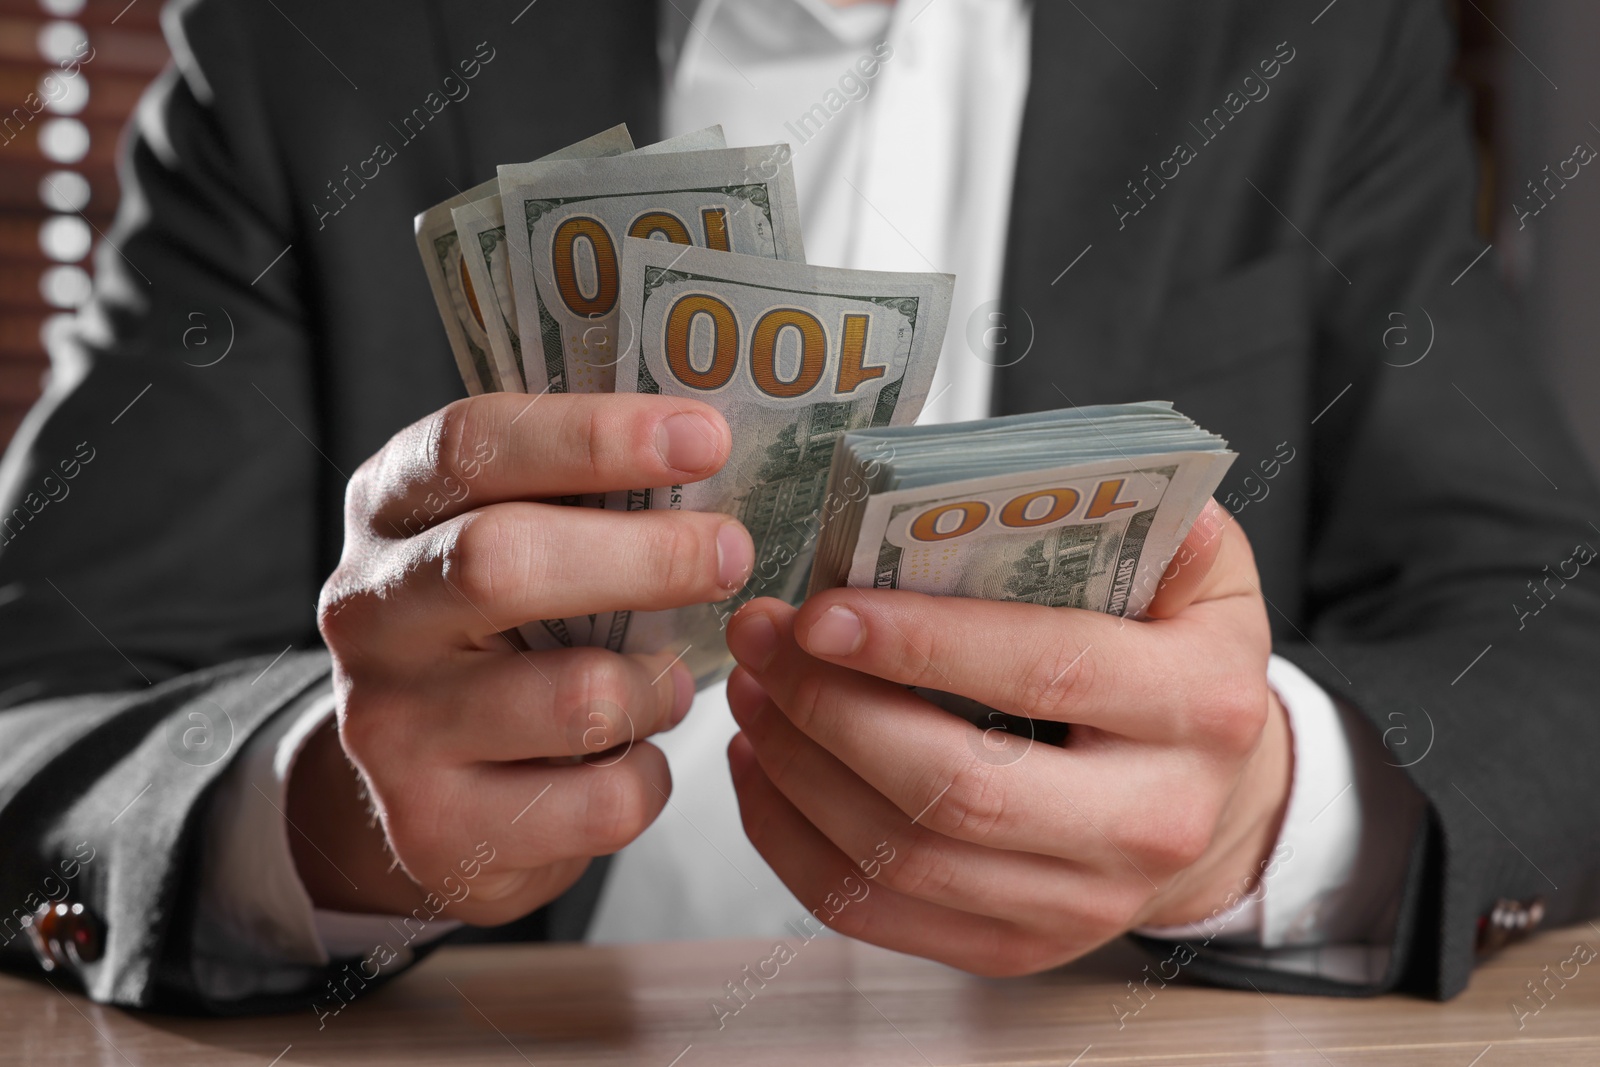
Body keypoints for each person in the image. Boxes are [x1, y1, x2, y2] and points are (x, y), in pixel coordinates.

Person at [1, 0, 1596, 1017]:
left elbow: (1554, 643)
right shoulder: (306, 44)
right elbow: (35, 709)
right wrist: (322, 817)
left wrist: (1258, 815)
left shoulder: (1313, 35)